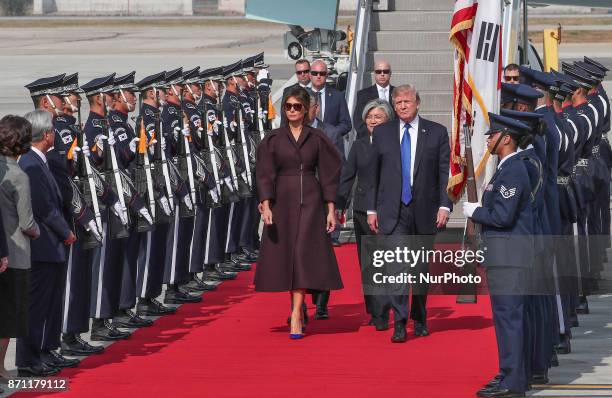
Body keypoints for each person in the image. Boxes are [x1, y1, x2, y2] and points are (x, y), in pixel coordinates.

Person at [364, 84, 452, 343]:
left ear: (418, 103)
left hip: (425, 209)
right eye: (398, 102)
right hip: (394, 210)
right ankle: (400, 322)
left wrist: (445, 205)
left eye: (407, 101)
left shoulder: (436, 132)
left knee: (419, 269)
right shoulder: (382, 133)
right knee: (398, 267)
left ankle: (420, 315)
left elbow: (444, 172)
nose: (403, 105)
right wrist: (371, 209)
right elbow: (373, 173)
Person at [255, 86, 343, 339]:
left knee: (303, 255)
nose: (292, 111)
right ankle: (297, 307)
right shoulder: (273, 139)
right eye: (288, 107)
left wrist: (330, 209)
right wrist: (266, 203)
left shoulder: (317, 138)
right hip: (283, 202)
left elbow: (329, 173)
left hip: (312, 203)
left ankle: (296, 312)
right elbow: (264, 173)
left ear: (306, 110)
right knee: (288, 257)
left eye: (297, 107)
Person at [463, 113, 535, 398]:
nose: (489, 140)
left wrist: (475, 211)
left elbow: (503, 216)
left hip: (509, 257)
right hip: (505, 254)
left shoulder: (514, 170)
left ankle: (512, 381)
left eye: (492, 136)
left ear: (506, 138)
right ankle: (510, 373)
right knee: (508, 318)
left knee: (509, 319)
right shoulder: (506, 168)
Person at [16, 109, 77, 377]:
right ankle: (28, 360)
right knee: (36, 305)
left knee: (48, 303)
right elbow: (45, 208)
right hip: (42, 246)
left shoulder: (38, 161)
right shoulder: (30, 163)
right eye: (52, 130)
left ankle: (43, 350)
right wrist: (66, 232)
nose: (55, 134)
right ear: (46, 135)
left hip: (49, 245)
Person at [336, 98, 394, 322]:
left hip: (388, 209)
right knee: (368, 263)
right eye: (370, 117)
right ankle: (375, 310)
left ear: (388, 119)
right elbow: (347, 176)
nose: (373, 120)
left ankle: (389, 305)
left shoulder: (397, 142)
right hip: (362, 210)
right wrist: (339, 206)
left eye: (378, 117)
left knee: (387, 260)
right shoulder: (360, 144)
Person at [0, 115, 39, 379]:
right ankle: (0, 368)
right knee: (8, 318)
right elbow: (27, 223)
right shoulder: (18, 176)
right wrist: (39, 232)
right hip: (14, 252)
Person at [353, 60, 395, 139]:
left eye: (385, 71)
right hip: (369, 139)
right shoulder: (363, 94)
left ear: (390, 74)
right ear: (374, 74)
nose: (382, 74)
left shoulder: (398, 93)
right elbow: (358, 121)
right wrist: (373, 136)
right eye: (379, 72)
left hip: (392, 139)